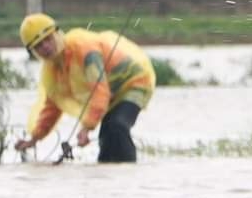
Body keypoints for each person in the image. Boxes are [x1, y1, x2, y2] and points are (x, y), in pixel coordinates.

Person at [14, 13, 156, 163]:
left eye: (48, 39)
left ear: (57, 34)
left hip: (134, 84)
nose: (46, 47)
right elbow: (52, 107)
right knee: (107, 136)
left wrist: (86, 128)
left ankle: (129, 174)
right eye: (38, 46)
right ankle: (109, 176)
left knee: (117, 125)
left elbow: (99, 91)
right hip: (111, 96)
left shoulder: (85, 50)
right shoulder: (52, 72)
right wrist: (34, 138)